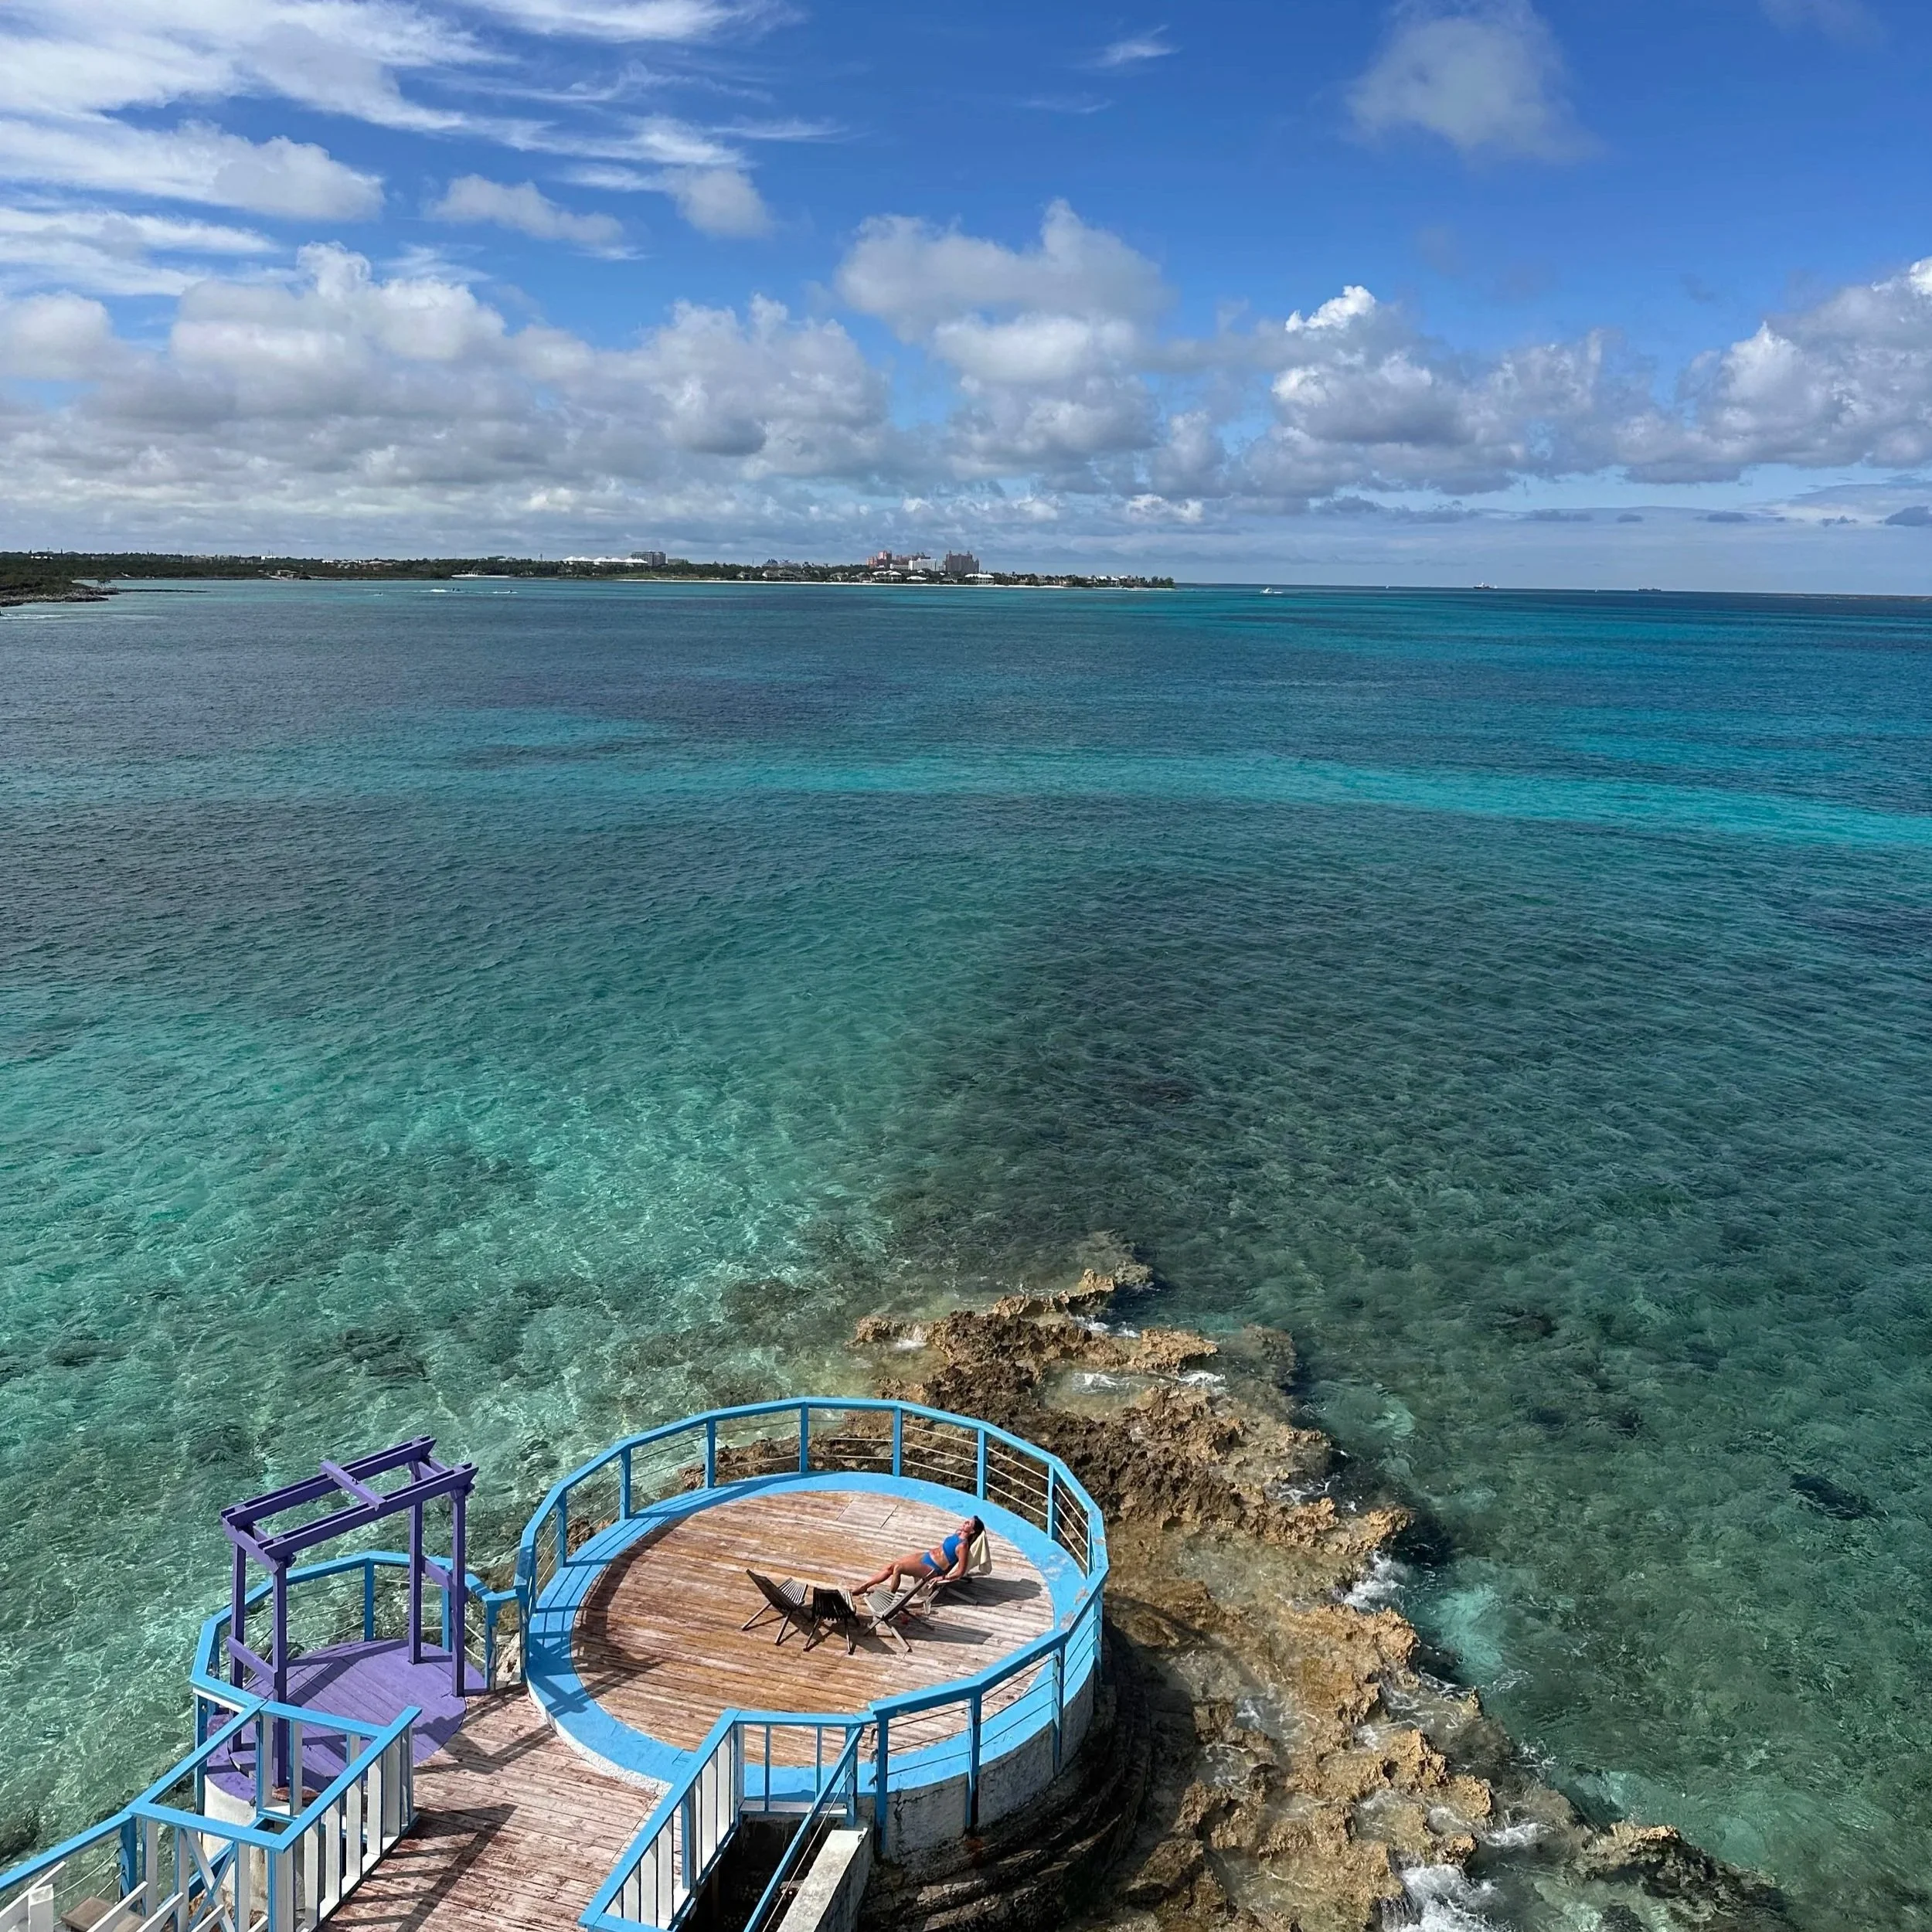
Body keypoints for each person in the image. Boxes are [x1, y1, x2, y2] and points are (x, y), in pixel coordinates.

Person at [855, 1515, 982, 1597]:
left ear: (971, 1531)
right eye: (967, 1520)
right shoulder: (958, 1533)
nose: (965, 1522)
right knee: (891, 1567)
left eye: (968, 1523)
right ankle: (864, 1587)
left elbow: (960, 1571)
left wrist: (943, 1577)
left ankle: (889, 1598)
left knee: (898, 1568)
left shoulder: (963, 1546)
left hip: (933, 1568)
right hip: (926, 1555)